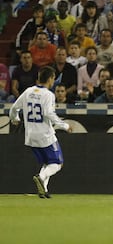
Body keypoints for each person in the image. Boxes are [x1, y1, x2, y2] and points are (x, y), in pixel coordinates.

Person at [9, 66, 72, 198]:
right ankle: (41, 177)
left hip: (30, 136)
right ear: (50, 79)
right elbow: (48, 113)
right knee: (57, 164)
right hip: (45, 135)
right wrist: (64, 125)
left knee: (47, 163)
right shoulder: (48, 95)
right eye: (53, 79)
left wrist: (15, 118)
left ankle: (44, 190)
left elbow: (14, 108)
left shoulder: (28, 91)